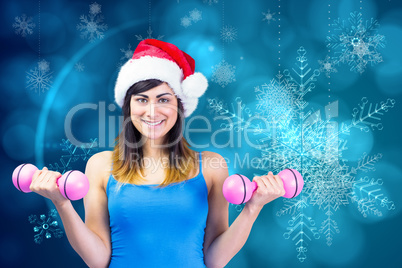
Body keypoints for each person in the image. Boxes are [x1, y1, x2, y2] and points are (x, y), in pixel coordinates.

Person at [30, 39, 286, 268]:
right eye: (141, 99)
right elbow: (98, 260)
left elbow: (215, 260)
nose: (152, 111)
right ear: (128, 106)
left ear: (180, 106)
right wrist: (61, 203)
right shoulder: (100, 166)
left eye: (163, 99)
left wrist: (252, 208)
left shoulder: (211, 166)